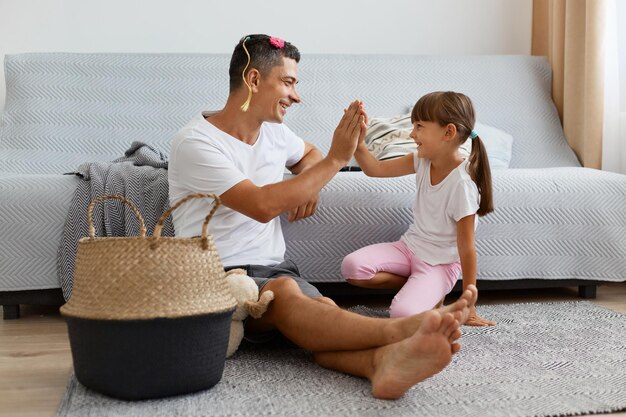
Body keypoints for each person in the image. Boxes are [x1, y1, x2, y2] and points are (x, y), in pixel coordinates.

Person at [168, 34, 479, 400]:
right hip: (216, 275)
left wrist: (309, 183)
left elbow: (309, 154)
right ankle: (402, 331)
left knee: (322, 312)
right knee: (289, 296)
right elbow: (262, 204)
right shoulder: (196, 142)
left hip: (272, 270)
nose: (296, 96)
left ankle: (379, 364)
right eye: (288, 82)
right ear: (253, 80)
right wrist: (336, 160)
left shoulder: (274, 132)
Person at [341, 91, 496, 326]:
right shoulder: (422, 160)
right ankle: (424, 289)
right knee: (352, 268)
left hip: (440, 263)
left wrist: (469, 305)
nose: (412, 134)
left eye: (420, 126)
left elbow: (467, 248)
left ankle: (432, 290)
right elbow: (374, 169)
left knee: (402, 316)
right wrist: (357, 140)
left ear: (448, 132)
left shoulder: (462, 184)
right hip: (409, 248)